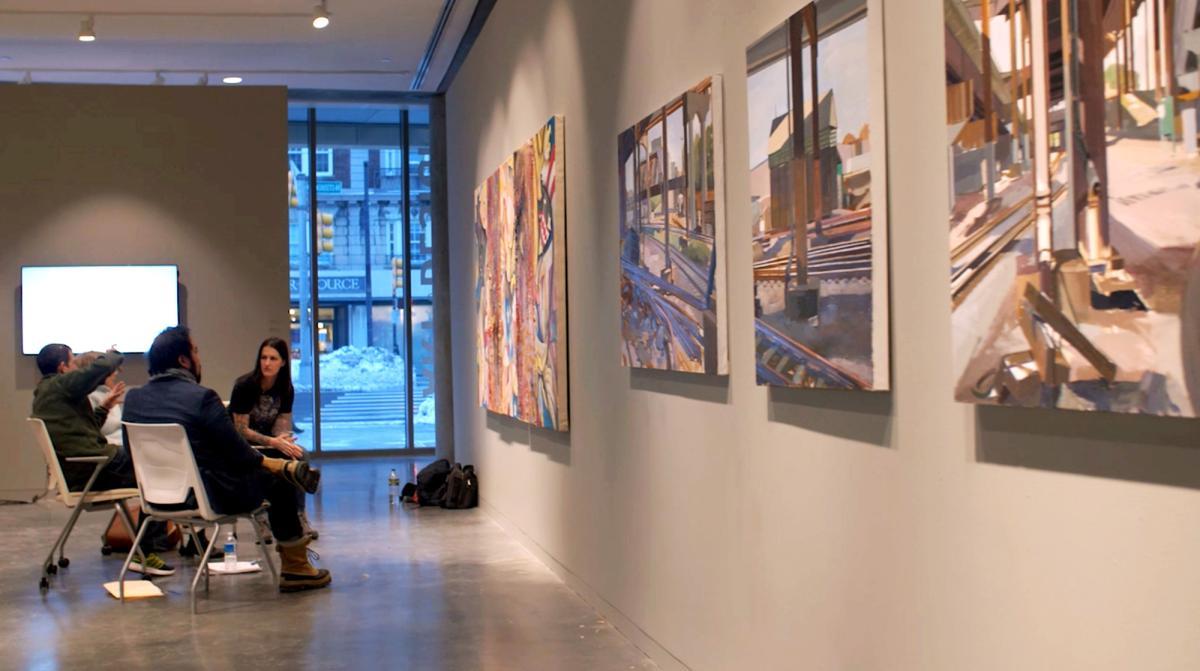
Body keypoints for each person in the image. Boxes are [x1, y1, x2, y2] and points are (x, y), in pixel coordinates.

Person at [122, 326, 331, 592]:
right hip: (210, 496)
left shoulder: (133, 399)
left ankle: (284, 470)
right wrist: (273, 465)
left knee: (274, 471)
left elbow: (130, 453)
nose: (200, 358)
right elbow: (237, 450)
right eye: (196, 351)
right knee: (280, 483)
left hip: (155, 499)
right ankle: (296, 568)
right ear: (184, 360)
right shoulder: (202, 398)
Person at [31, 344, 175, 576]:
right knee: (160, 467)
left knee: (153, 465)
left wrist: (104, 407)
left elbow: (86, 432)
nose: (76, 367)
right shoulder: (60, 385)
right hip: (93, 469)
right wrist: (114, 354)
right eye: (73, 363)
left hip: (86, 468)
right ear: (62, 367)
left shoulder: (46, 393)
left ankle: (147, 547)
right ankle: (147, 551)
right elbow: (101, 367)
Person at [229, 337, 318, 539]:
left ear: (283, 362)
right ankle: (261, 518)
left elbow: (281, 425)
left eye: (273, 358)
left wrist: (284, 440)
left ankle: (298, 515)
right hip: (243, 445)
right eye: (263, 358)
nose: (267, 363)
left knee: (300, 455)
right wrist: (273, 442)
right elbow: (241, 429)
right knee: (258, 461)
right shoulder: (244, 385)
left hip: (268, 441)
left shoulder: (286, 388)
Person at [73, 351, 124, 445]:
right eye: (111, 370)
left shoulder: (107, 393)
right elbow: (98, 429)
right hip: (110, 448)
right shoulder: (88, 397)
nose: (116, 373)